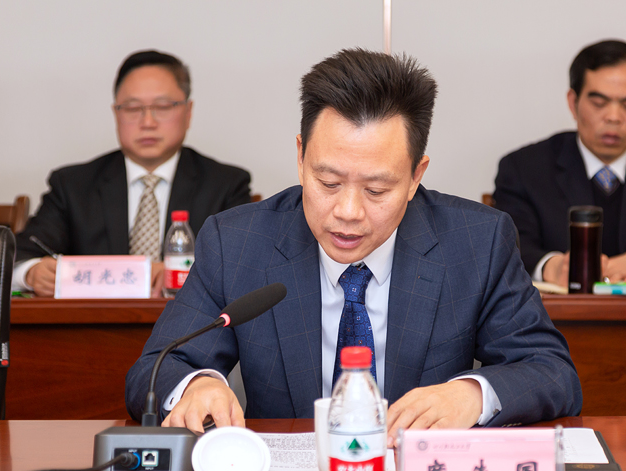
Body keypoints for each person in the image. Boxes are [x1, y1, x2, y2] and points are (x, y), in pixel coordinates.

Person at [126, 48, 582, 442]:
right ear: (301, 157)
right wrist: (196, 385)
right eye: (328, 182)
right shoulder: (239, 242)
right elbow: (156, 367)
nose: (347, 211)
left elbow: (552, 371)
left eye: (376, 190)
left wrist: (470, 395)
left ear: (416, 176)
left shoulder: (476, 241)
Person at [12, 50, 252, 297]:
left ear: (188, 112)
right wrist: (31, 273)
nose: (147, 122)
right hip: (95, 320)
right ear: (116, 113)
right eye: (132, 108)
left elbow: (243, 266)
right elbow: (21, 254)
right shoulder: (72, 185)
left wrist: (180, 272)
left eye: (163, 106)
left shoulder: (226, 185)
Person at [494, 40, 626, 286]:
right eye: (599, 103)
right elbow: (510, 247)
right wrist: (551, 267)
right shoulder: (524, 169)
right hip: (555, 310)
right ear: (573, 102)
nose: (614, 117)